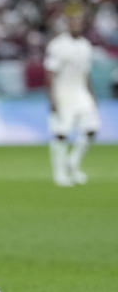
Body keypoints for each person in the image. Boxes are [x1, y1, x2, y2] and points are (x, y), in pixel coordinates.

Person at [45, 12, 99, 186]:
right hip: (63, 93)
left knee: (92, 129)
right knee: (62, 133)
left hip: (81, 92)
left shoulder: (85, 45)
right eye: (73, 22)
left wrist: (91, 94)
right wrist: (52, 98)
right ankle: (59, 173)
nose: (76, 25)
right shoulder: (58, 45)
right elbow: (50, 73)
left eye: (79, 22)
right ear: (67, 24)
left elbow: (86, 73)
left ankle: (73, 162)